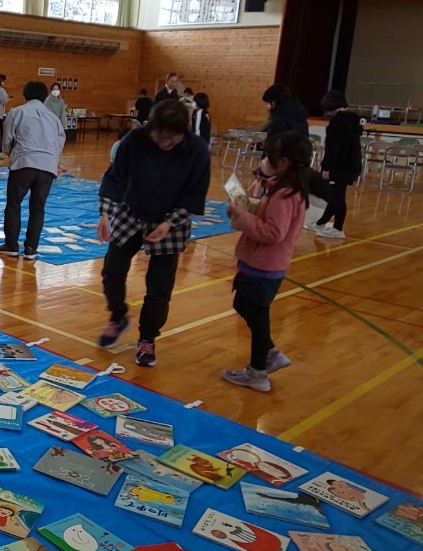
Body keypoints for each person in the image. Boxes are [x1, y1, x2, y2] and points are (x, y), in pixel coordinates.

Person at [97, 99, 211, 367]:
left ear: (183, 133)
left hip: (171, 221)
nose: (165, 143)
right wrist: (105, 214)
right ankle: (118, 317)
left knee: (159, 286)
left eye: (172, 139)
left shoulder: (196, 151)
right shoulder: (136, 140)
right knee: (112, 270)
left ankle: (147, 338)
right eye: (160, 137)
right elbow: (115, 178)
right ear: (152, 128)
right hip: (131, 211)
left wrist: (169, 223)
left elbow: (194, 196)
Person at [221, 132, 312, 392]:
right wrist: (247, 206)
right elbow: (268, 215)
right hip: (258, 263)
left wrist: (242, 216)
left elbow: (274, 232)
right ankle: (270, 353)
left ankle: (257, 372)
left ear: (282, 162)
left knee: (259, 320)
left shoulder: (285, 193)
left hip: (265, 266)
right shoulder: (283, 188)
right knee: (242, 302)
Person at [0, 81, 65, 260]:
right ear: (45, 97)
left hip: (24, 163)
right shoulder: (53, 118)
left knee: (13, 205)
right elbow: (59, 143)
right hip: (47, 167)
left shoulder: (16, 112)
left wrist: (13, 154)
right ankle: (31, 248)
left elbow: (7, 141)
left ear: (25, 95)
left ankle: (11, 245)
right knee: (38, 208)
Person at [311, 90, 361, 240]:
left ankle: (338, 228)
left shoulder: (338, 122)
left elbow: (334, 148)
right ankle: (321, 222)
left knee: (338, 196)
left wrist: (326, 168)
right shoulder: (351, 120)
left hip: (340, 167)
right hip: (351, 165)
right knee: (335, 195)